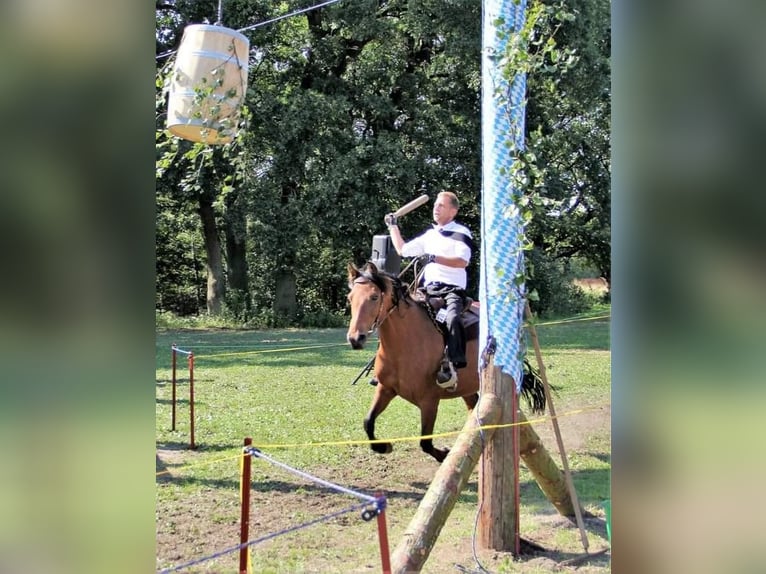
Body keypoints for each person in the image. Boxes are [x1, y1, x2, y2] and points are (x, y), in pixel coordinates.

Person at [384, 191, 473, 389]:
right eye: (435, 205)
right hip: (428, 290)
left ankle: (452, 365)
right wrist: (393, 226)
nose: (436, 208)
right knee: (397, 313)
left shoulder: (461, 233)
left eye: (441, 205)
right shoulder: (430, 235)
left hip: (452, 291)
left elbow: (461, 262)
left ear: (453, 211)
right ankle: (387, 365)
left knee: (453, 319)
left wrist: (434, 258)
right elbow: (403, 250)